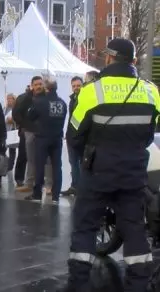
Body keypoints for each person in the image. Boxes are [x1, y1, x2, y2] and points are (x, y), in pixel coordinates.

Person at [60, 38, 160, 292]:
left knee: (85, 227)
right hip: (134, 172)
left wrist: (92, 152)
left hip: (98, 172)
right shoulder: (150, 91)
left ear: (108, 58)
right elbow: (150, 133)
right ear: (133, 61)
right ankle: (138, 284)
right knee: (135, 229)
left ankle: (79, 283)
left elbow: (73, 135)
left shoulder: (92, 91)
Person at [24, 77, 67, 203]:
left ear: (46, 88)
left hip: (42, 138)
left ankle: (37, 194)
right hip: (57, 138)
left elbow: (30, 115)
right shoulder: (62, 103)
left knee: (40, 166)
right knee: (57, 166)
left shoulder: (40, 102)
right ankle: (55, 195)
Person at [61, 76, 84, 196]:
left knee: (79, 163)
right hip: (71, 136)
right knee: (73, 162)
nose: (76, 88)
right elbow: (71, 119)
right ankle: (75, 186)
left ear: (82, 85)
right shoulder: (73, 99)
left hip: (80, 137)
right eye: (74, 86)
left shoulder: (84, 99)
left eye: (78, 85)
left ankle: (79, 187)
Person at [4, 93, 18, 173]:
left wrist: (12, 121)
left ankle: (10, 166)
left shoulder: (16, 108)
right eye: (8, 98)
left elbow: (18, 119)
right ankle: (4, 163)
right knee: (3, 149)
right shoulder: (5, 108)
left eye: (10, 98)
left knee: (12, 149)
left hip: (12, 130)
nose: (9, 100)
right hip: (5, 131)